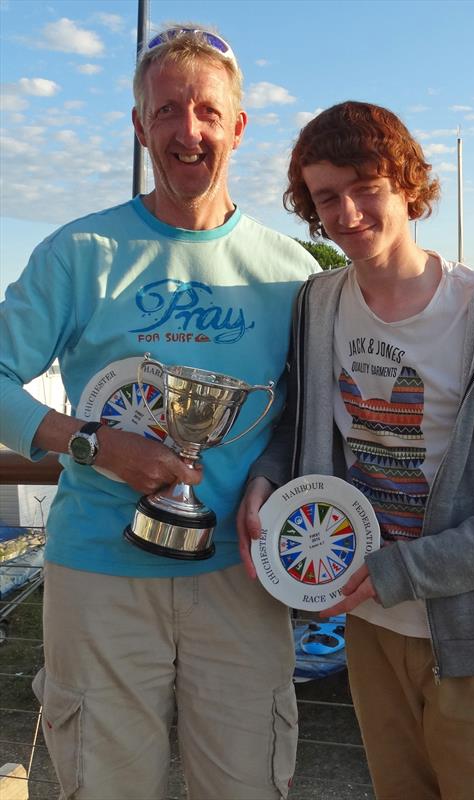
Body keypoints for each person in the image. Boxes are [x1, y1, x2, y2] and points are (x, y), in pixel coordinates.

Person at [0, 26, 318, 800]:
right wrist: (90, 444)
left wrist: (270, 481)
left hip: (244, 580)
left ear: (238, 127)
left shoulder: (293, 273)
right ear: (140, 128)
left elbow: (306, 416)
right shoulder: (80, 252)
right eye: (166, 110)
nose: (188, 130)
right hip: (99, 577)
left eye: (207, 110)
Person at [237, 101, 474, 800]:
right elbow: (300, 421)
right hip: (366, 624)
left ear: (407, 185)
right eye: (326, 197)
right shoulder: (319, 305)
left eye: (366, 187)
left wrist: (409, 569)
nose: (348, 212)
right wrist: (267, 480)